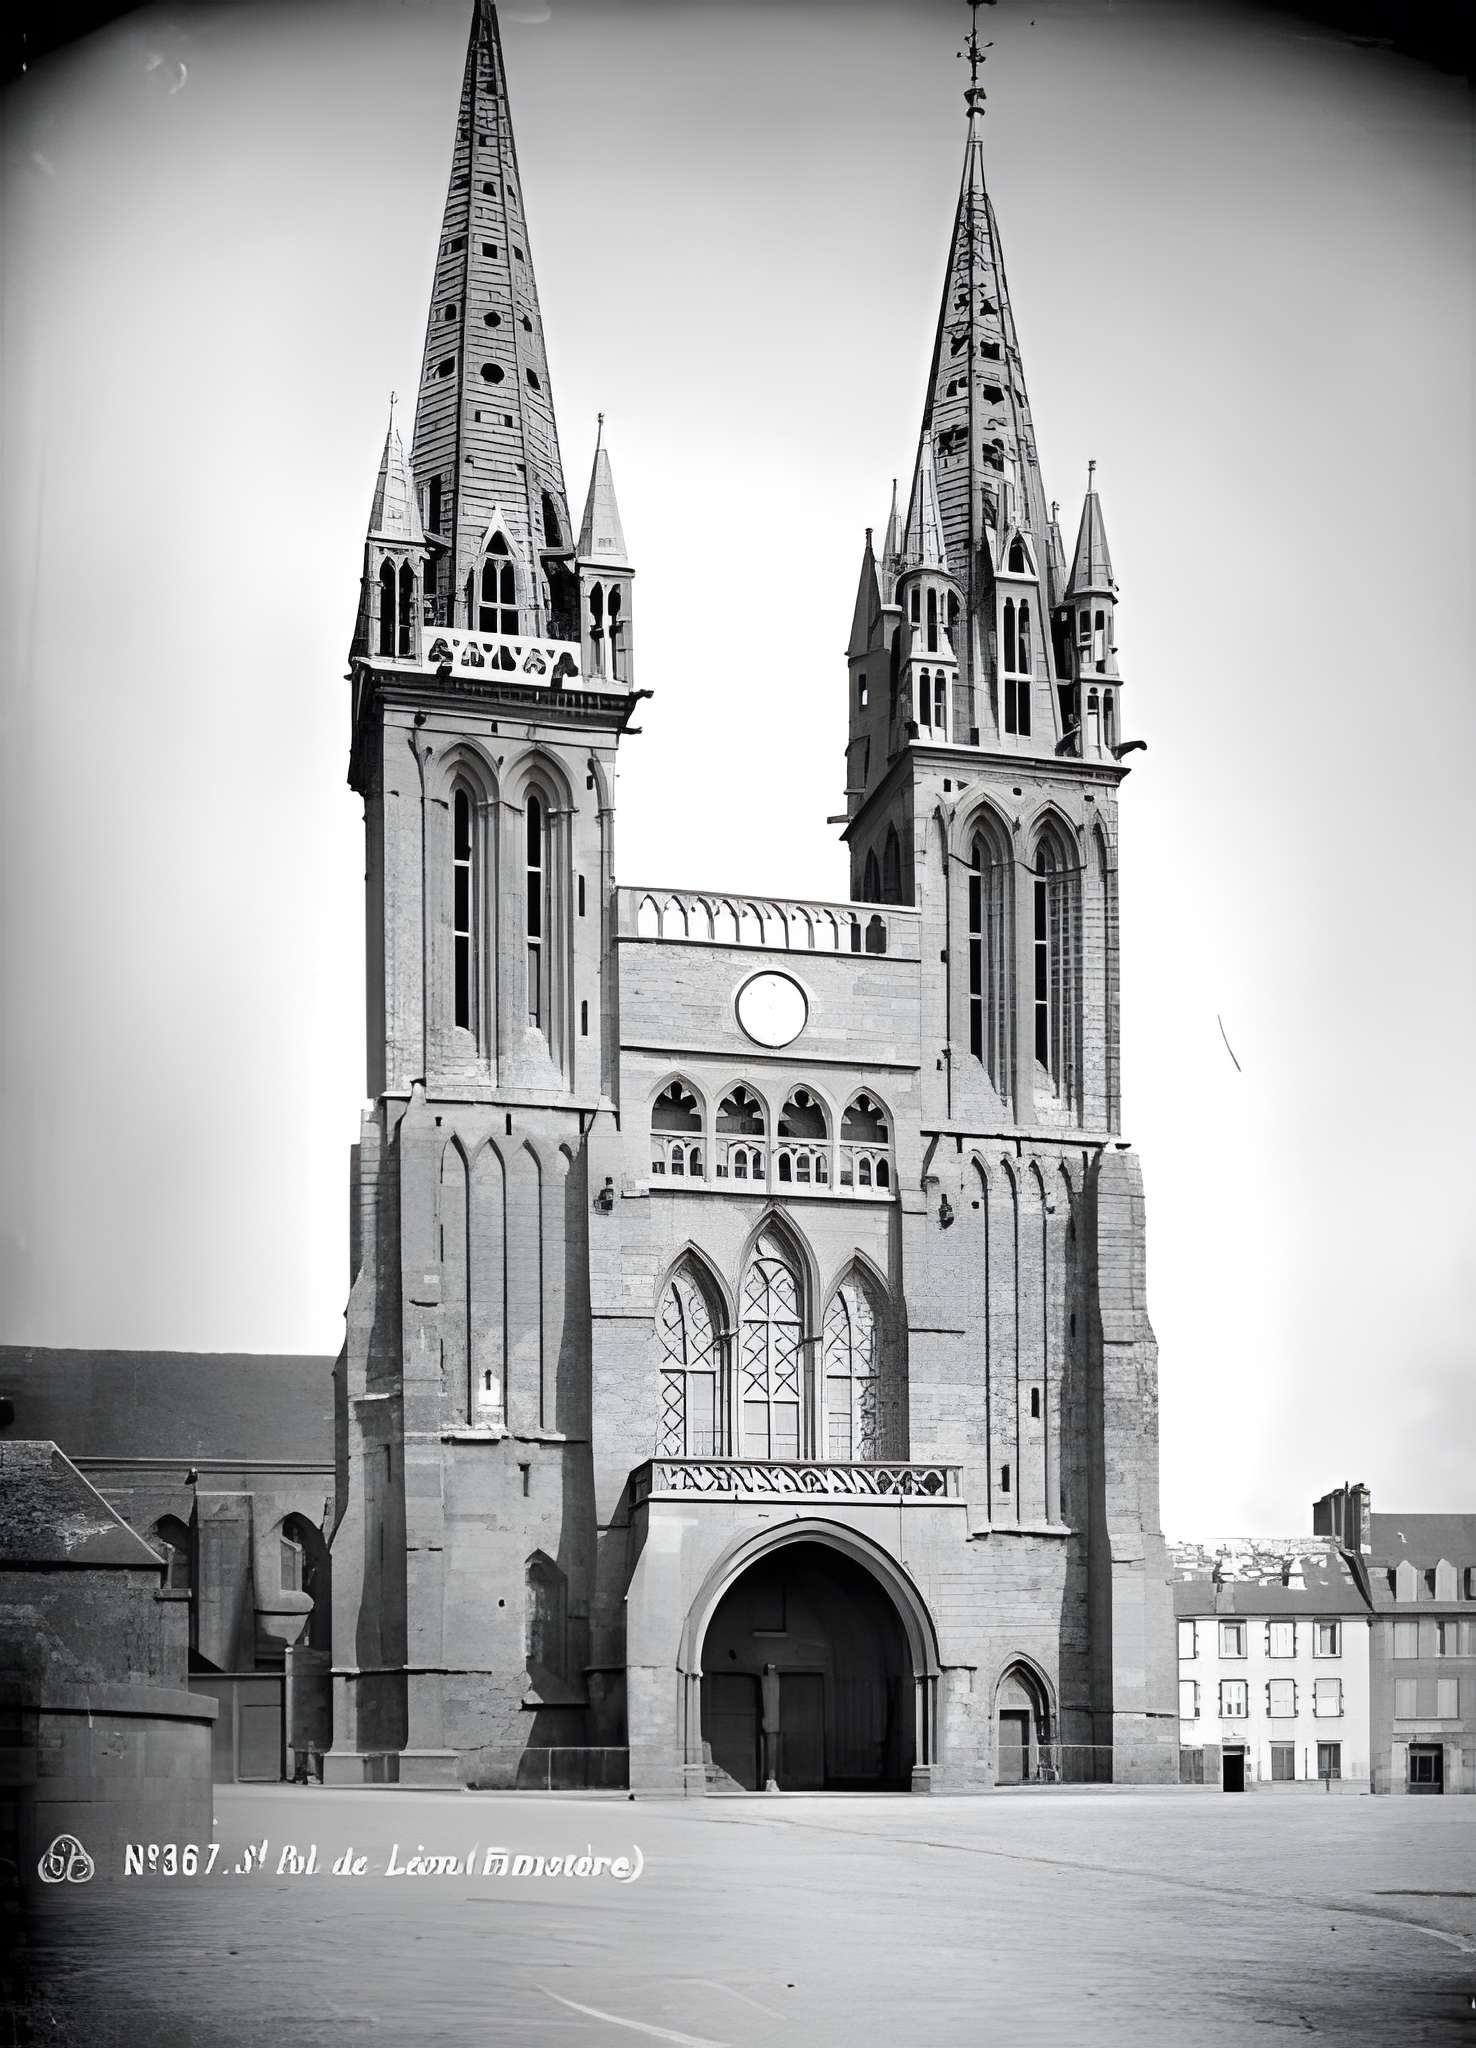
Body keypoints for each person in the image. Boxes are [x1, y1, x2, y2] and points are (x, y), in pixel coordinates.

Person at [760, 1662, 781, 1792]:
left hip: (772, 1724)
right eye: (770, 1668)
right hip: (769, 1724)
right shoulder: (765, 1682)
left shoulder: (775, 1681)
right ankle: (770, 1781)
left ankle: (771, 1780)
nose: (772, 1671)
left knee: (771, 1753)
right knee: (769, 1753)